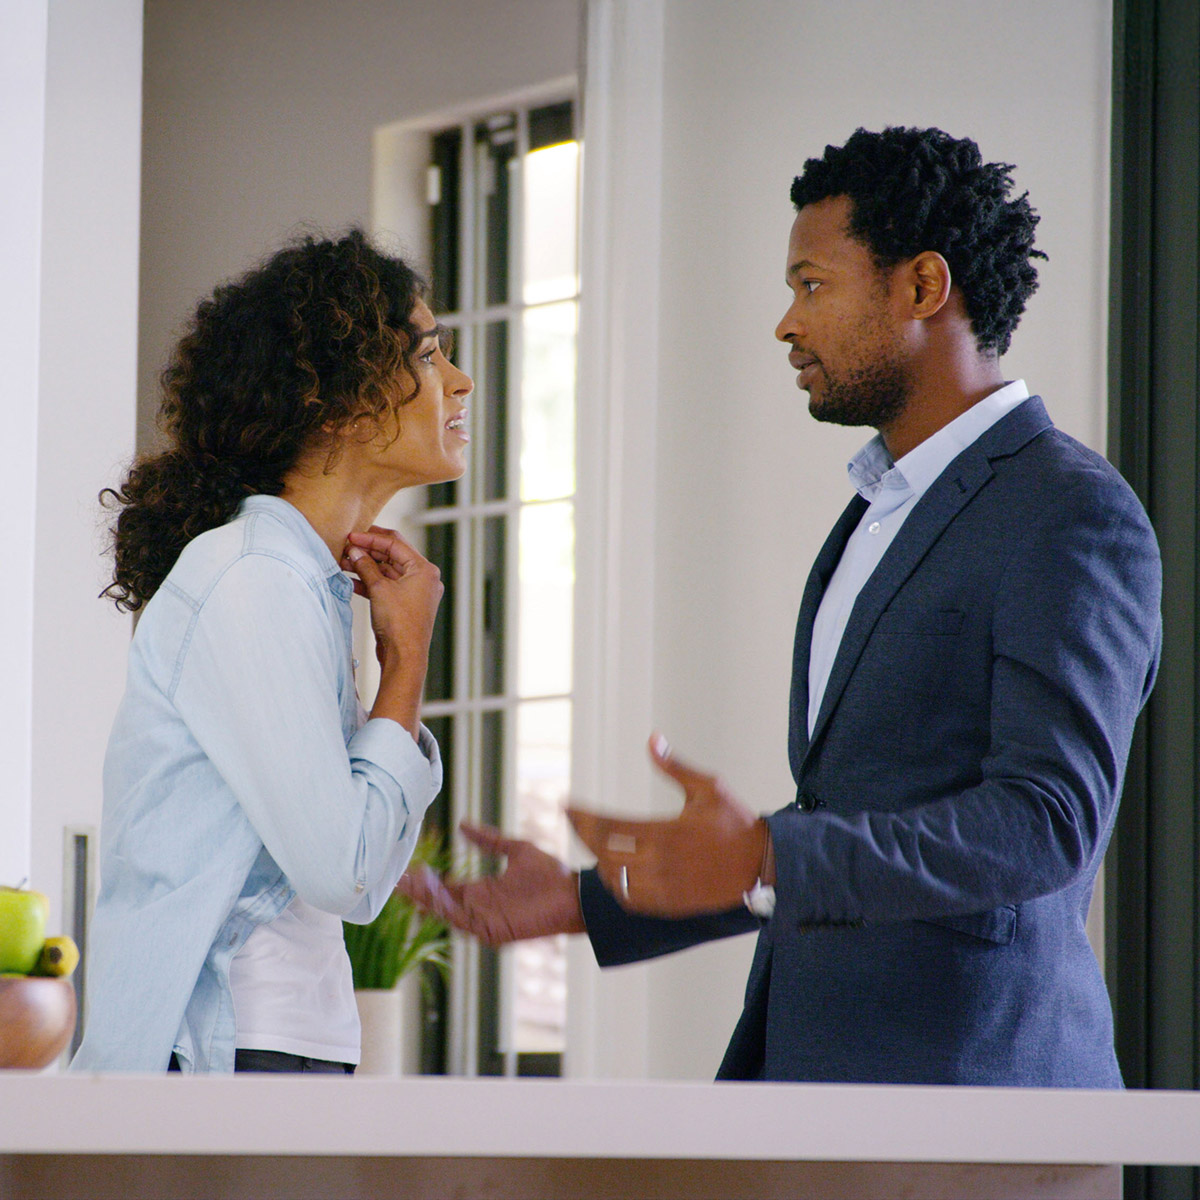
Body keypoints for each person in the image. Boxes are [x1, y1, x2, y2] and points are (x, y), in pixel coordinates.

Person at [401, 127, 1163, 1087]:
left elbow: (1046, 821)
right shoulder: (878, 513)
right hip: (822, 1084)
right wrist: (588, 902)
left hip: (973, 1091)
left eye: (812, 285)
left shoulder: (1069, 512)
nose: (787, 324)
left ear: (923, 287)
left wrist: (767, 851)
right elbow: (847, 822)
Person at [72, 230, 472, 1073]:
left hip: (277, 1048)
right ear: (335, 402)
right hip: (224, 1054)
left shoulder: (296, 580)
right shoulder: (253, 577)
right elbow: (348, 874)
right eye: (429, 356)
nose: (460, 381)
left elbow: (359, 871)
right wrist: (405, 661)